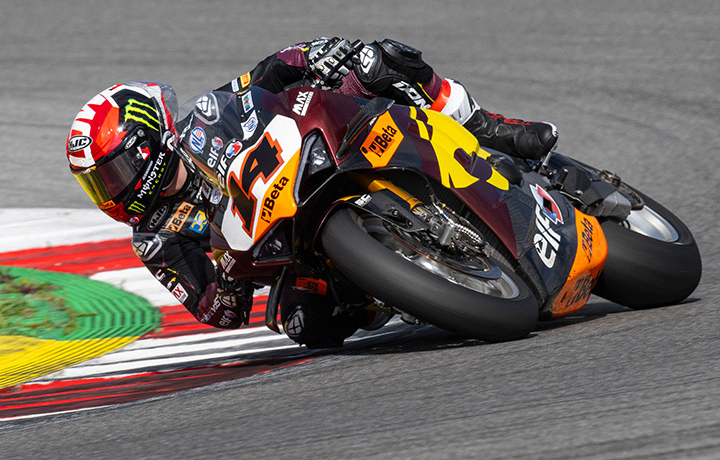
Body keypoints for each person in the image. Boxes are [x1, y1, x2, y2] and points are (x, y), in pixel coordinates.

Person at [66, 37, 558, 348]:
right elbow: (217, 312)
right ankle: (412, 286)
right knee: (308, 327)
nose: (112, 191)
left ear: (148, 140)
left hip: (315, 159)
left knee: (380, 60)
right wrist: (227, 277)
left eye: (114, 173)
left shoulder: (207, 116)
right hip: (292, 256)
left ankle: (487, 126)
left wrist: (314, 55)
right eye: (98, 184)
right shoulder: (156, 239)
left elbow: (270, 71)